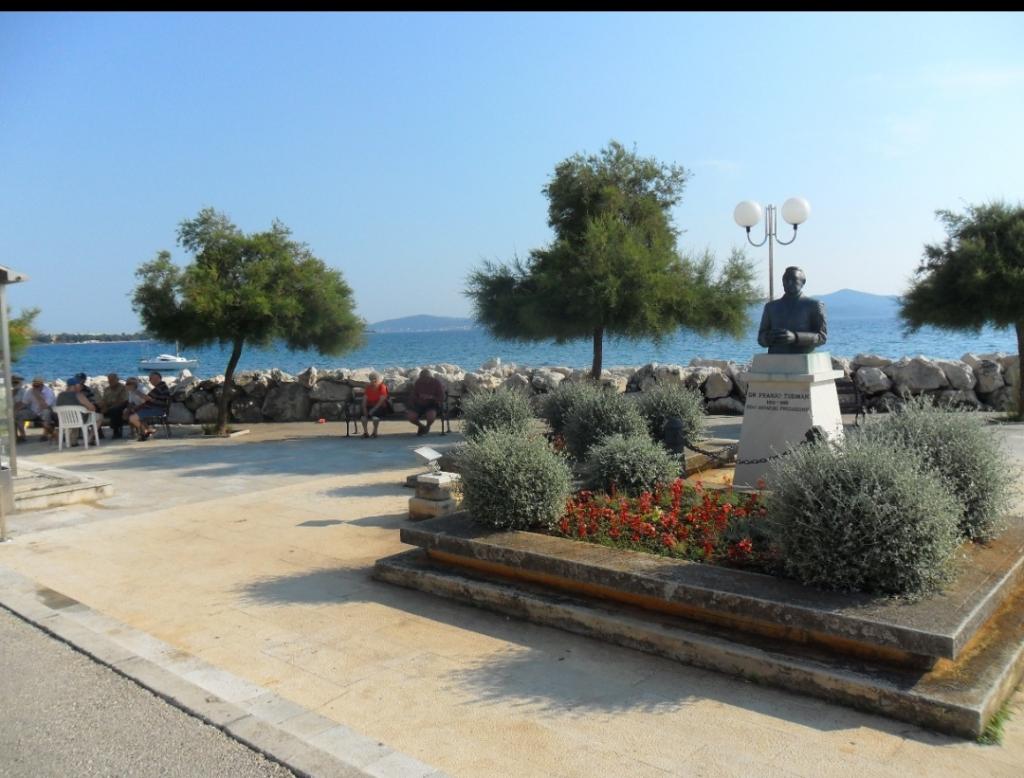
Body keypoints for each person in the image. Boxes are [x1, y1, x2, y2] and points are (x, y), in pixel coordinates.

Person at [756, 266, 828, 354]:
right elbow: (761, 338)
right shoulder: (771, 307)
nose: (789, 282)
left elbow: (822, 337)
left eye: (794, 279)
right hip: (775, 358)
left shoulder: (814, 305)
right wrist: (769, 338)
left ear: (803, 282)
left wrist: (795, 337)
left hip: (802, 357)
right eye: (786, 279)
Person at [127, 371, 171, 442]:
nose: (149, 381)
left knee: (132, 418)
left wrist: (135, 391)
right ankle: (148, 430)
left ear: (157, 378)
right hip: (157, 408)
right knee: (135, 413)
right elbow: (149, 399)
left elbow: (147, 398)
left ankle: (145, 432)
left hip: (157, 410)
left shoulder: (160, 388)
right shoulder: (161, 387)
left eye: (150, 378)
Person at [55, 376, 99, 447]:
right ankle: (90, 438)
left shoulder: (60, 395)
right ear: (74, 386)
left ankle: (73, 441)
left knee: (75, 417)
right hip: (79, 420)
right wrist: (87, 408)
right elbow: (92, 408)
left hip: (64, 420)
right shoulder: (79, 395)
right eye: (79, 385)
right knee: (99, 417)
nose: (81, 387)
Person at [15, 376, 56, 442]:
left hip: (46, 410)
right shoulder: (29, 391)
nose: (35, 387)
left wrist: (37, 395)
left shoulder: (49, 392)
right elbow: (24, 403)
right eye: (34, 385)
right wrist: (16, 410)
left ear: (42, 385)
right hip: (33, 411)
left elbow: (45, 406)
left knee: (46, 412)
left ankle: (45, 435)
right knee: (19, 414)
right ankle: (23, 436)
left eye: (37, 386)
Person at [406, 369, 445, 436]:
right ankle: (422, 427)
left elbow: (442, 397)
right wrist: (415, 400)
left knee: (431, 416)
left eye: (425, 377)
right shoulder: (418, 382)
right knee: (410, 416)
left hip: (432, 404)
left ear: (430, 377)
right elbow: (414, 395)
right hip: (419, 404)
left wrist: (431, 397)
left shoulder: (436, 383)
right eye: (422, 378)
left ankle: (427, 426)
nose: (423, 379)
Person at [98, 373, 130, 439]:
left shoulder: (123, 388)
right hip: (109, 407)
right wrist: (103, 406)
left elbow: (124, 400)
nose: (110, 382)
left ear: (117, 379)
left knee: (115, 410)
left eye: (112, 380)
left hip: (120, 407)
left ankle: (116, 431)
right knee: (95, 409)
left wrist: (110, 407)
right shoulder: (107, 389)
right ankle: (98, 431)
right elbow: (104, 400)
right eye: (109, 380)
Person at [360, 372, 390, 439]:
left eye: (374, 379)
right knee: (363, 418)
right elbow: (364, 400)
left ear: (377, 380)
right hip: (370, 406)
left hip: (380, 407)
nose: (373, 381)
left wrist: (373, 410)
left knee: (375, 418)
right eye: (371, 379)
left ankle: (374, 432)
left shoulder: (382, 387)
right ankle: (366, 433)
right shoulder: (368, 387)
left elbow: (381, 401)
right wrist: (364, 410)